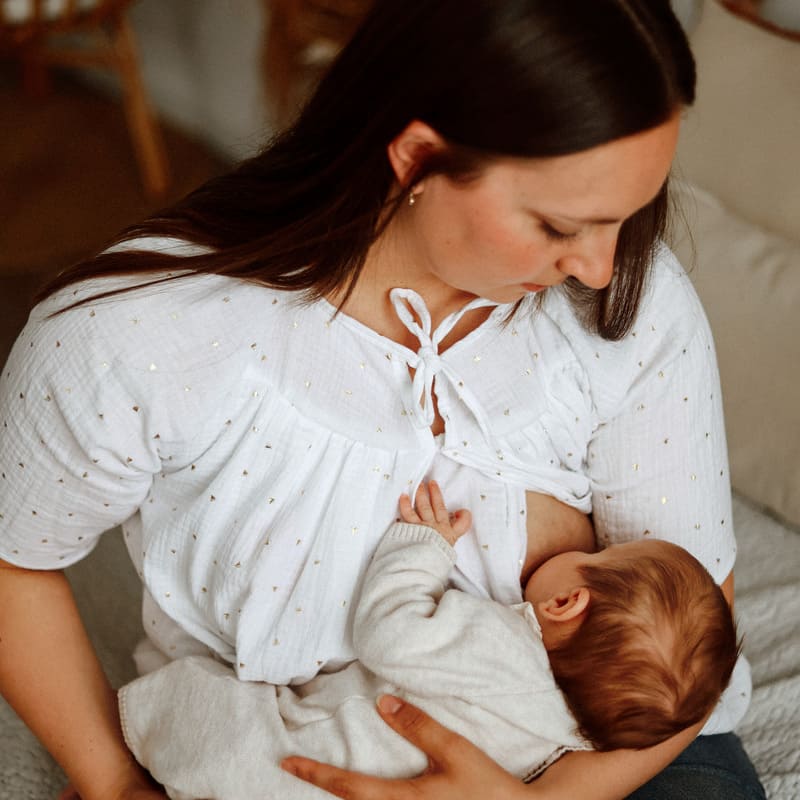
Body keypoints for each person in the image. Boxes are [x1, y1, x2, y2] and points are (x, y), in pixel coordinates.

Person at [0, 1, 765, 798]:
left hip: (597, 754)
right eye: (558, 223)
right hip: (299, 746)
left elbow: (692, 609)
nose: (604, 270)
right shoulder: (147, 335)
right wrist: (112, 780)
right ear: (417, 157)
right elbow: (13, 559)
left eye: (629, 214)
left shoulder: (630, 302)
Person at [117, 482, 739, 800]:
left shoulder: (503, 645)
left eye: (595, 554)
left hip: (283, 766)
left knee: (196, 712)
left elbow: (388, 634)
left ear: (565, 602)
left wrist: (422, 550)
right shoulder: (571, 736)